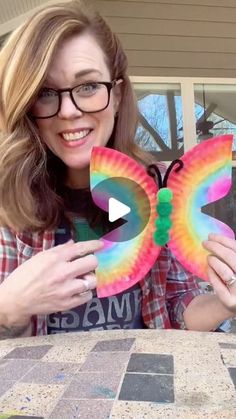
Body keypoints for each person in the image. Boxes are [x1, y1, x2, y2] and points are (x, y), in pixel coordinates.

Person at [0, 0, 235, 339]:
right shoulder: (7, 201)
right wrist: (10, 305)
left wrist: (225, 302)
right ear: (27, 105)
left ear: (118, 94)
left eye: (88, 86)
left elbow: (175, 308)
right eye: (46, 92)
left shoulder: (160, 188)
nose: (69, 110)